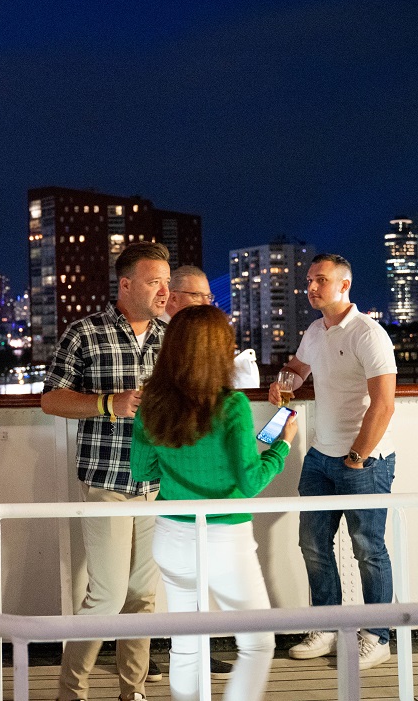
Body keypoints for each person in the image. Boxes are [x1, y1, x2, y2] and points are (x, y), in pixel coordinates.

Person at [131, 304, 297, 701]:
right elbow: (251, 481)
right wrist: (283, 445)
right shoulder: (232, 404)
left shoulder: (151, 401)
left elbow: (141, 469)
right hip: (225, 537)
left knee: (187, 644)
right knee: (257, 643)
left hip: (172, 533)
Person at [40, 241, 170, 701]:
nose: (164, 291)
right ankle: (71, 692)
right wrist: (108, 403)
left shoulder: (170, 336)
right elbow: (50, 399)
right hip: (107, 481)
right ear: (126, 284)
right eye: (154, 282)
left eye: (166, 282)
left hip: (158, 483)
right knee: (108, 596)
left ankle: (132, 692)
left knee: (143, 597)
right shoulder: (85, 332)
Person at [269, 253, 398, 670]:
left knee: (368, 550)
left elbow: (384, 404)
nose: (311, 286)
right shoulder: (314, 330)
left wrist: (357, 457)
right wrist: (283, 382)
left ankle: (376, 637)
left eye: (320, 280)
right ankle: (328, 628)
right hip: (319, 457)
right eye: (309, 280)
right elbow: (297, 369)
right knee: (312, 545)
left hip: (364, 461)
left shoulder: (368, 334)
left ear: (344, 285)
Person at [153, 265, 235, 676]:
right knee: (149, 581)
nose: (208, 303)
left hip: (170, 482)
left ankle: (191, 650)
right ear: (175, 297)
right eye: (200, 296)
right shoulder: (159, 340)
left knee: (187, 579)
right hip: (158, 480)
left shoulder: (187, 340)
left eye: (208, 297)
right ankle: (145, 656)